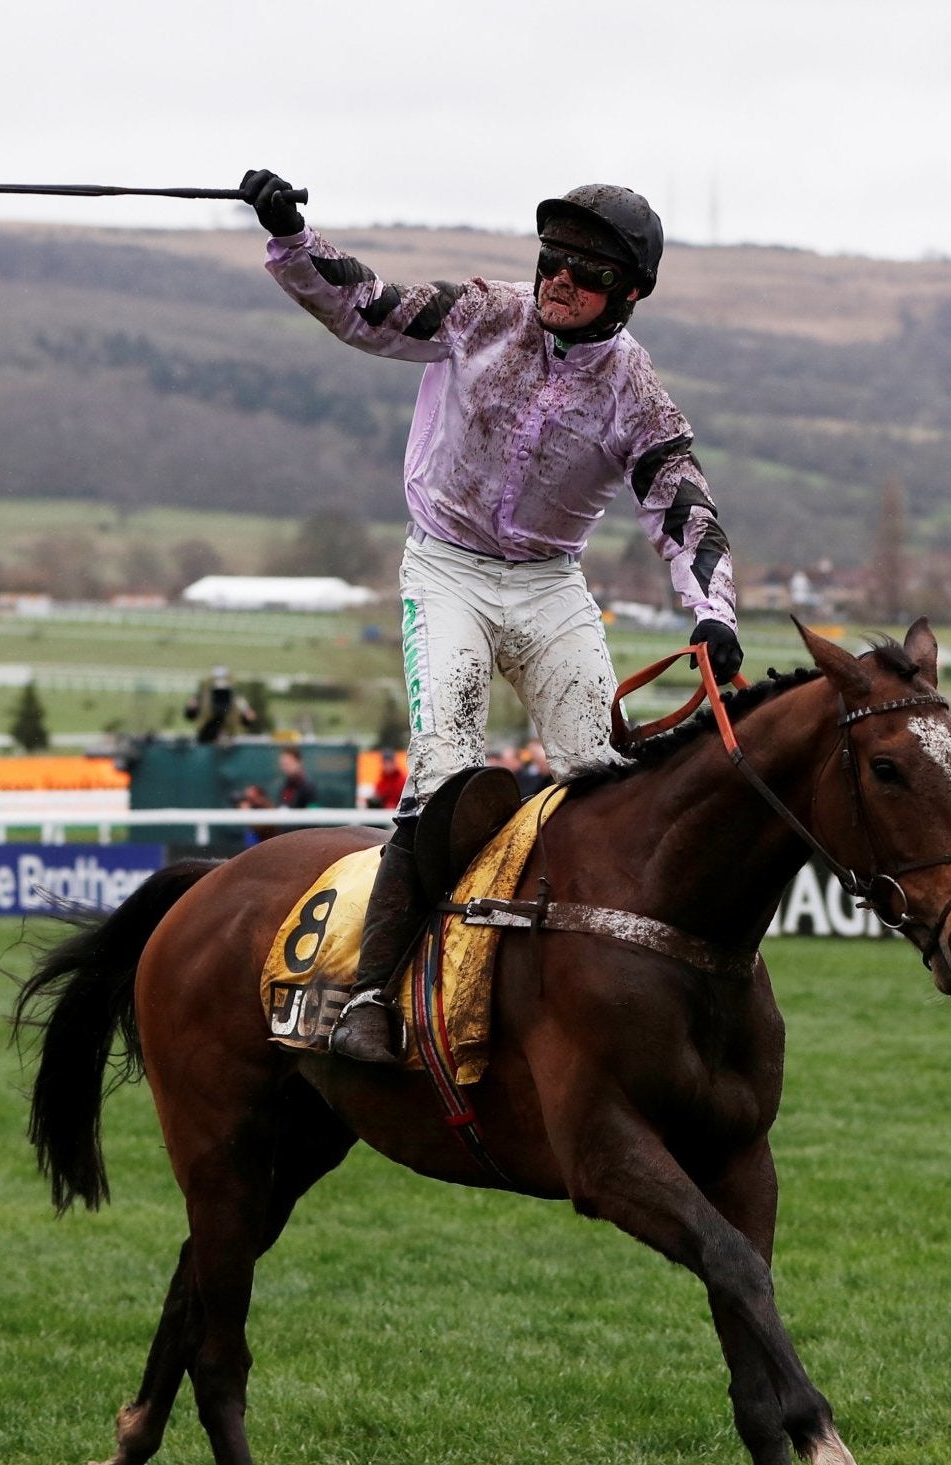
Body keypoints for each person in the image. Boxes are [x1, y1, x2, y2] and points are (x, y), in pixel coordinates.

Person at [240, 169, 741, 1064]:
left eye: (585, 273)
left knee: (602, 767)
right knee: (446, 768)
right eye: (553, 259)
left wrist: (715, 614)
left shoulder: (637, 392)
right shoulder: (478, 313)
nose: (559, 280)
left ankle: (608, 978)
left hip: (551, 584)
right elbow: (367, 307)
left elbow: (681, 509)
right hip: (446, 571)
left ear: (629, 295)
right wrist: (291, 236)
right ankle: (367, 997)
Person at [185, 666, 258, 745]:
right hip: (206, 737)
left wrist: (248, 716)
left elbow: (246, 721)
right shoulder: (203, 697)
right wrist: (191, 708)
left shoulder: (237, 699)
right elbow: (190, 716)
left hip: (229, 739)